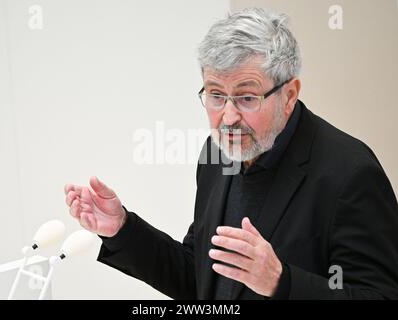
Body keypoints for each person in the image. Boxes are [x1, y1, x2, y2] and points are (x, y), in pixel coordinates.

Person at [64, 8, 398, 299]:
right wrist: (123, 229)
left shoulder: (350, 172)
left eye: (247, 97)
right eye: (215, 96)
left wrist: (282, 282)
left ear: (289, 94)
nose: (228, 117)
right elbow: (199, 278)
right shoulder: (217, 153)